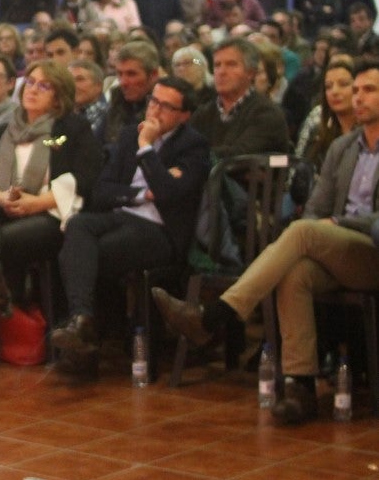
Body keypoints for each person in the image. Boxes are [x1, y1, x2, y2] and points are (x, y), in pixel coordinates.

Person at [154, 58, 379, 425]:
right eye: (355, 90)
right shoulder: (343, 147)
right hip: (330, 247)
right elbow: (315, 208)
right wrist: (325, 224)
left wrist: (337, 222)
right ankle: (300, 385)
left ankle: (215, 316)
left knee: (304, 233)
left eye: (368, 90)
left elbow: (361, 220)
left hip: (370, 249)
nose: (357, 98)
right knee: (294, 274)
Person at [49, 77, 211, 379]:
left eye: (166, 106)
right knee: (78, 226)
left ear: (184, 115)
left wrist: (146, 148)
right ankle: (82, 319)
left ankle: (84, 342)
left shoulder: (193, 145)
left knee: (82, 256)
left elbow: (168, 193)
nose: (155, 110)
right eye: (153, 101)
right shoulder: (127, 134)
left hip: (159, 230)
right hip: (123, 214)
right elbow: (102, 189)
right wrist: (139, 193)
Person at [0, 60, 101, 371]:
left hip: (49, 216)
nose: (32, 90)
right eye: (30, 82)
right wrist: (0, 196)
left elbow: (86, 178)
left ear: (59, 96)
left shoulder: (69, 129)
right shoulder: (8, 129)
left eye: (43, 86)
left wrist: (36, 202)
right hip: (8, 209)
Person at [189, 37, 290, 159]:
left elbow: (240, 156)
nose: (221, 72)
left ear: (251, 73)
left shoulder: (267, 113)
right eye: (217, 65)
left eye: (231, 64)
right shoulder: (203, 113)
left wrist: (193, 158)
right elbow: (185, 147)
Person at [94, 39, 160, 149]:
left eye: (131, 74)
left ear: (153, 75)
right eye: (120, 74)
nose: (123, 82)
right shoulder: (116, 104)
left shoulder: (166, 109)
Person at [295, 54, 355, 170]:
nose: (334, 92)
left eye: (343, 84)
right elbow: (300, 174)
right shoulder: (317, 133)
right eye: (328, 86)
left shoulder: (368, 136)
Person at [69, 59, 108, 131]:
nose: (72, 85)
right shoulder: (61, 114)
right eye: (69, 80)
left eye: (80, 79)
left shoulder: (107, 116)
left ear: (98, 86)